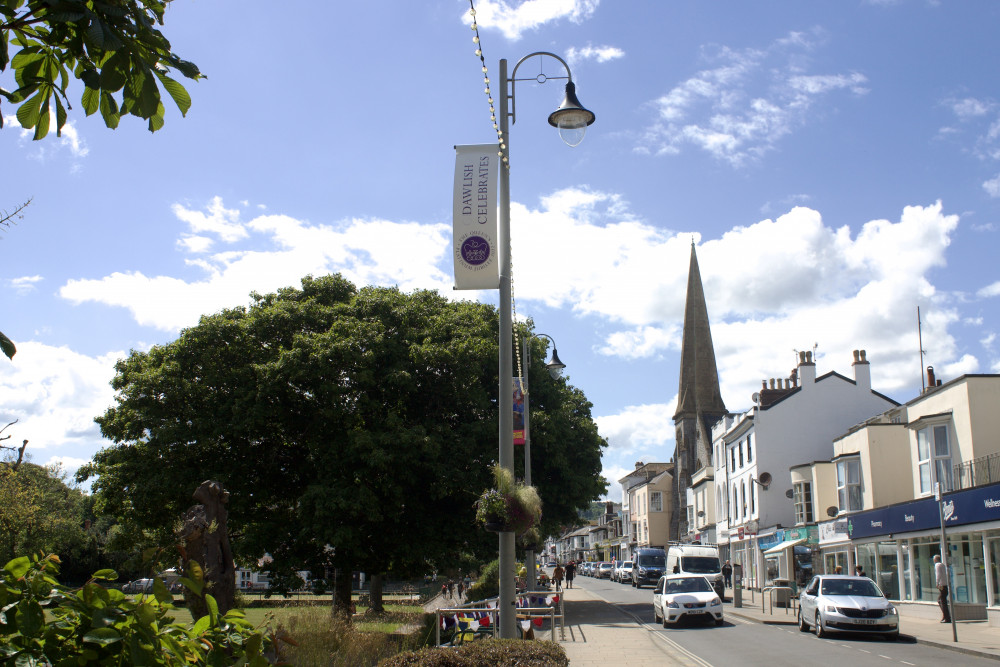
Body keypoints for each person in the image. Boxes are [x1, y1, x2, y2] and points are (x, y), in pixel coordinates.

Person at [935, 554, 951, 623]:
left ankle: (947, 617)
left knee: (941, 601)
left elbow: (938, 574)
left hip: (942, 585)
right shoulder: (943, 565)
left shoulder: (937, 565)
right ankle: (945, 616)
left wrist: (937, 582)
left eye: (934, 559)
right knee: (941, 600)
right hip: (945, 585)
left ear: (935, 559)